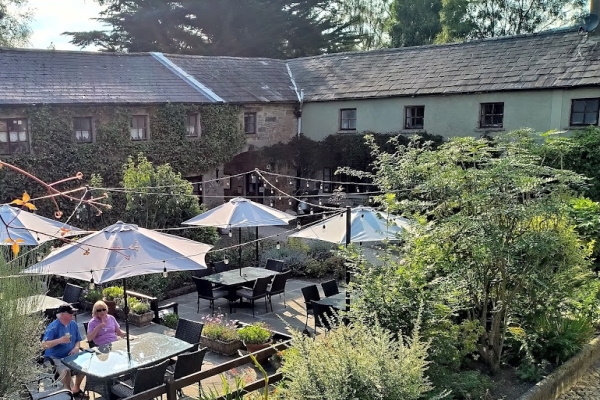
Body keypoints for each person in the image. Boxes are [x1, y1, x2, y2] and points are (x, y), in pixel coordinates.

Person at [41, 304, 85, 395]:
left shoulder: (73, 324)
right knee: (66, 371)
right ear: (62, 314)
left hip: (70, 355)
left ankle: (76, 388)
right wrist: (59, 340)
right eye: (70, 313)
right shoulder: (53, 327)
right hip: (55, 357)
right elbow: (44, 345)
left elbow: (77, 340)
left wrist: (76, 348)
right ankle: (68, 391)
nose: (73, 314)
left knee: (84, 367)